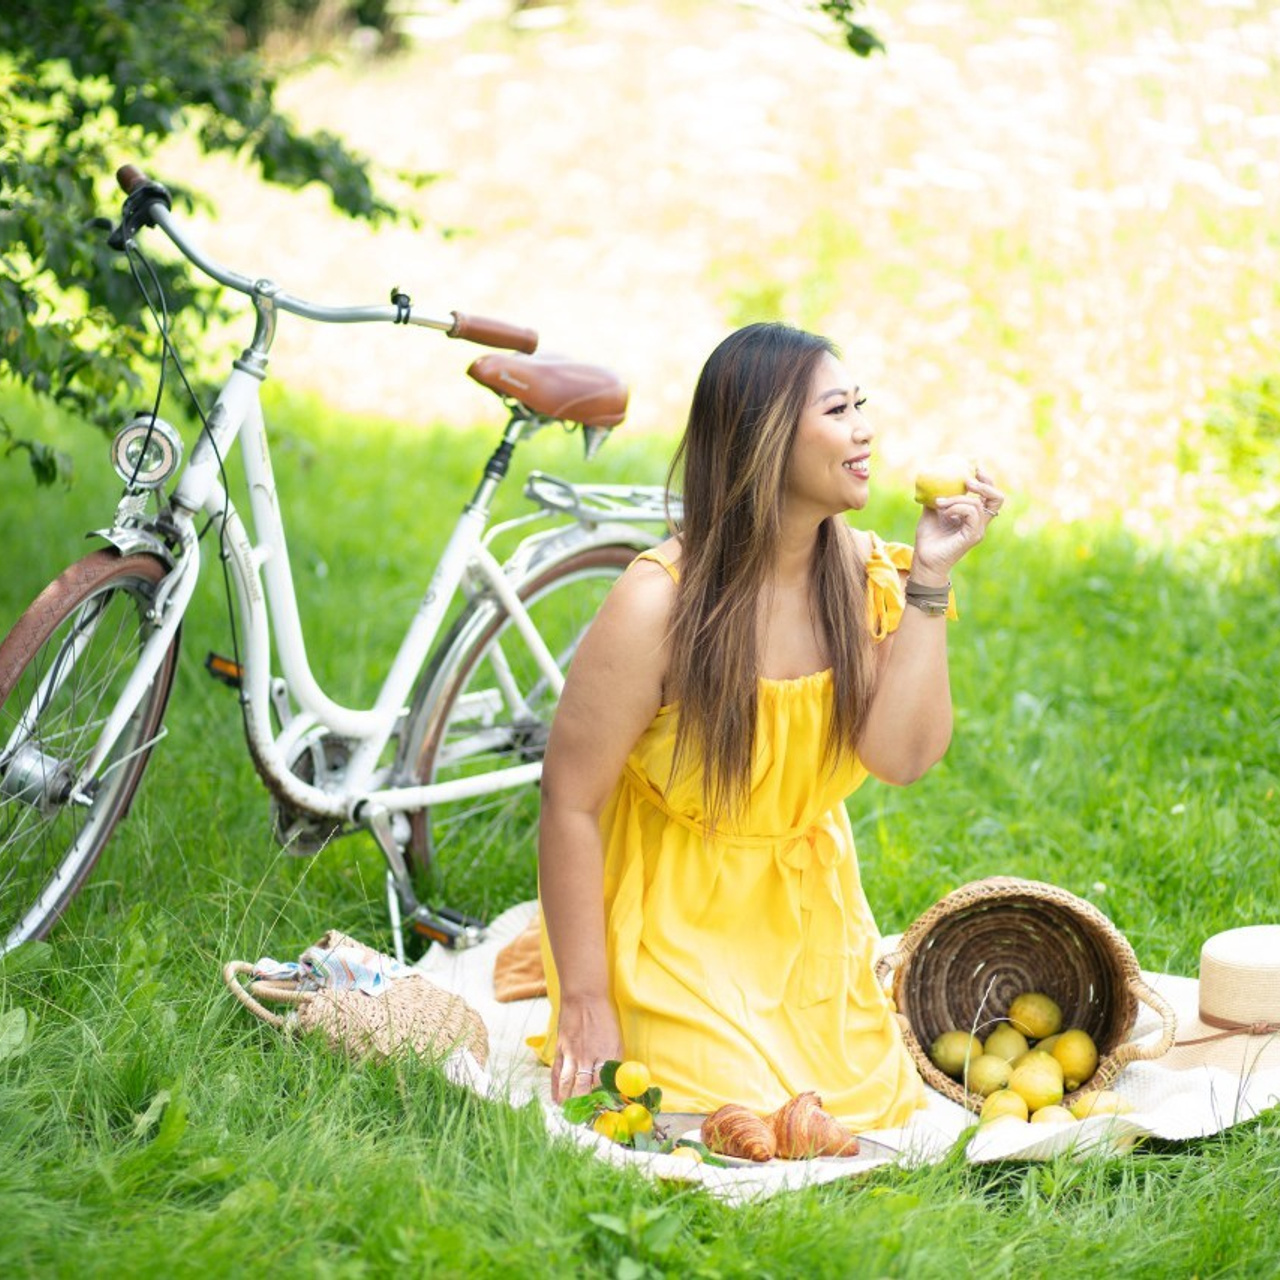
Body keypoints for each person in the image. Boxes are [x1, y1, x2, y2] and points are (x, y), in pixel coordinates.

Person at [533, 321, 1004, 1128]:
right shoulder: (659, 604)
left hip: (803, 908)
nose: (865, 430)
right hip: (666, 911)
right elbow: (570, 802)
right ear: (764, 437)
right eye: (837, 411)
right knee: (731, 1108)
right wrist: (585, 996)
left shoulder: (866, 578)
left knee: (862, 1109)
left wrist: (931, 575)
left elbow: (903, 758)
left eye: (862, 405)